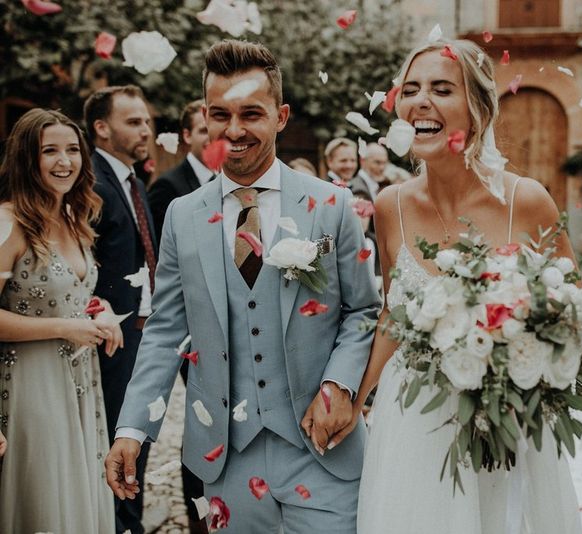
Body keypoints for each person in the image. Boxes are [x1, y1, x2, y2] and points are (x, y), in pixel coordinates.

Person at [104, 40, 380, 532]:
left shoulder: (331, 205)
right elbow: (165, 331)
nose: (234, 130)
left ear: (281, 116)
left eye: (251, 113)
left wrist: (338, 385)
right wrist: (132, 427)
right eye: (220, 115)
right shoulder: (182, 215)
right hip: (226, 461)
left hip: (323, 450)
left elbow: (362, 311)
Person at [345, 38, 582, 533]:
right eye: (411, 89)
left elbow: (573, 315)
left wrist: (521, 358)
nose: (421, 101)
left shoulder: (528, 201)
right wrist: (353, 398)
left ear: (478, 109)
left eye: (441, 89)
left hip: (504, 423)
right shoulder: (389, 206)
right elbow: (393, 315)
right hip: (412, 420)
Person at [0, 108, 121, 533]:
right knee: (46, 498)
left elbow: (71, 294)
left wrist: (101, 311)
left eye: (72, 150)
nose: (64, 161)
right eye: (49, 150)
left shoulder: (73, 218)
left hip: (81, 381)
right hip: (31, 385)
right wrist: (65, 328)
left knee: (78, 494)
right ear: (26, 158)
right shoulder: (8, 222)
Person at [84, 84, 157, 534]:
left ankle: (129, 522)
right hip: (107, 340)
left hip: (140, 331)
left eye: (146, 121)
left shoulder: (133, 182)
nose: (145, 129)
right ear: (102, 127)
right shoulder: (90, 182)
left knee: (136, 435)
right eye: (133, 122)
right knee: (116, 437)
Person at [147, 98, 212, 534]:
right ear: (187, 136)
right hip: (192, 327)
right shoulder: (169, 188)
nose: (215, 137)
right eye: (204, 129)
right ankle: (198, 515)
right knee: (202, 417)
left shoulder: (232, 182)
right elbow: (162, 267)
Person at [148, 99, 214, 244]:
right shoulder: (166, 187)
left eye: (215, 130)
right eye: (204, 131)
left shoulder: (225, 180)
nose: (212, 137)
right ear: (187, 136)